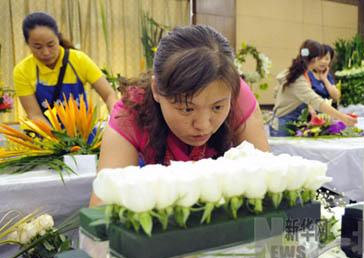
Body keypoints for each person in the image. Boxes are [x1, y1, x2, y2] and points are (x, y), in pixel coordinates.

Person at [89, 25, 270, 207]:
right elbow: (104, 204)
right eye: (187, 109)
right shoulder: (131, 112)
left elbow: (264, 179)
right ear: (156, 90)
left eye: (217, 107)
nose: (203, 126)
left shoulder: (237, 95)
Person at [13, 12, 118, 124]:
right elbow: (35, 115)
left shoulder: (79, 60)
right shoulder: (22, 71)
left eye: (51, 44)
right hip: (47, 136)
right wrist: (57, 140)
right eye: (37, 47)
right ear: (27, 44)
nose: (46, 52)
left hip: (83, 135)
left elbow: (109, 95)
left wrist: (115, 120)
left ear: (58, 38)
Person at [269, 40, 357, 137]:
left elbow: (275, 92)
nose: (323, 62)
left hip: (286, 123)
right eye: (321, 58)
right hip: (283, 127)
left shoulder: (291, 72)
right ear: (315, 60)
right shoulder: (298, 79)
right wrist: (342, 117)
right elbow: (316, 101)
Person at [306, 44, 340, 117]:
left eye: (327, 59)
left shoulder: (328, 76)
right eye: (320, 58)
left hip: (325, 114)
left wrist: (324, 79)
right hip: (310, 114)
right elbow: (303, 97)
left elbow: (336, 96)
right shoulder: (307, 74)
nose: (323, 62)